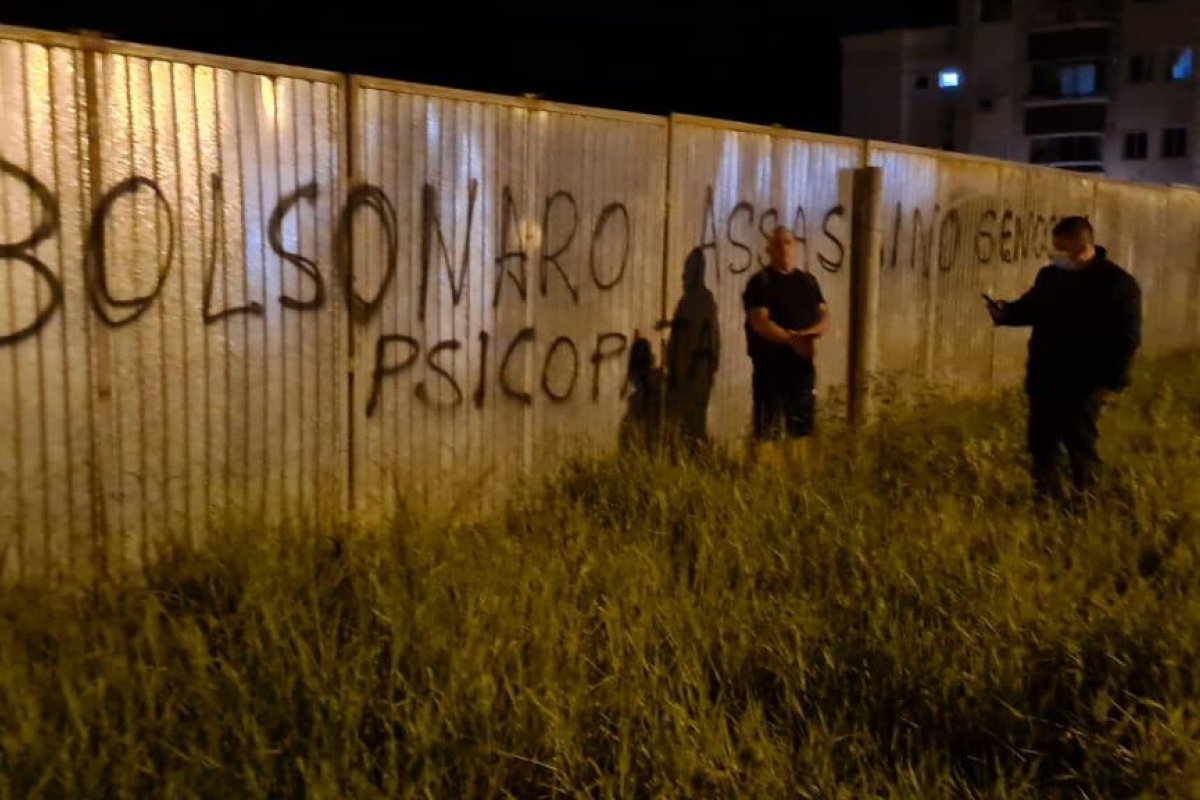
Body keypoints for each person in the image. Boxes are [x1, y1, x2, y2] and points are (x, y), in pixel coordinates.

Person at [985, 216, 1142, 505]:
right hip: (1044, 378)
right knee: (1041, 446)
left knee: (1080, 447)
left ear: (1080, 247)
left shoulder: (1117, 285)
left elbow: (1127, 340)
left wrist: (1114, 383)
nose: (1053, 253)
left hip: (1083, 384)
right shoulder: (1051, 278)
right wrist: (1006, 313)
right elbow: (1033, 307)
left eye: (1060, 247)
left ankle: (1087, 507)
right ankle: (1045, 501)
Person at [742, 226, 830, 471]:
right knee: (767, 428)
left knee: (801, 427)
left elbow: (824, 314)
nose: (784, 248)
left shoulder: (807, 281)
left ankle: (799, 476)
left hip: (801, 368)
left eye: (789, 243)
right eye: (778, 244)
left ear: (795, 247)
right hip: (770, 367)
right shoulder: (760, 283)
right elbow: (759, 322)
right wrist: (793, 340)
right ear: (769, 250)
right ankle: (764, 478)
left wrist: (815, 331)